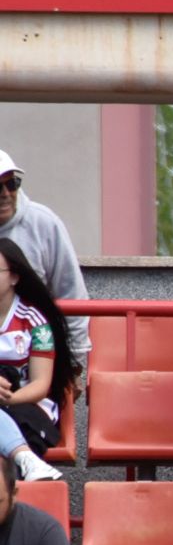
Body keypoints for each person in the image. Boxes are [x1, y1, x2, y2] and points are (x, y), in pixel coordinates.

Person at [0, 151, 89, 380]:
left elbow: (72, 295)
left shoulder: (43, 224)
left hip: (39, 359)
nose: (6, 194)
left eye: (12, 183)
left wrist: (74, 363)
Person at [0, 241, 74, 482]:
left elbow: (41, 385)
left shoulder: (35, 322)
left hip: (28, 406)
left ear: (14, 277)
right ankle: (25, 458)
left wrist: (7, 398)